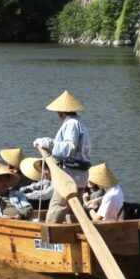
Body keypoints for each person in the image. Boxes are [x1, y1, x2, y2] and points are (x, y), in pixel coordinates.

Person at [34, 89, 91, 225]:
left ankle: (48, 235)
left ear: (62, 111)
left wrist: (49, 144)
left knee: (56, 209)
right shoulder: (79, 123)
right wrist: (48, 141)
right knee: (74, 212)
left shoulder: (71, 124)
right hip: (80, 176)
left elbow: (68, 148)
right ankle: (73, 235)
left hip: (69, 177)